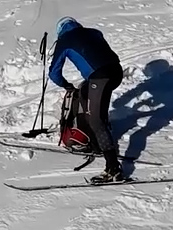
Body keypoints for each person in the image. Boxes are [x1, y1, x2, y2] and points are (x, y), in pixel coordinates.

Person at [46, 17, 128, 184]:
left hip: (100, 77)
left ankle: (113, 169)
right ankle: (97, 144)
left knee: (96, 119)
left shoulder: (64, 40)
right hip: (116, 71)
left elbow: (54, 72)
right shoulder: (93, 32)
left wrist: (66, 85)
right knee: (86, 92)